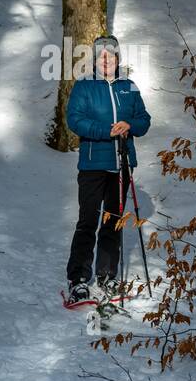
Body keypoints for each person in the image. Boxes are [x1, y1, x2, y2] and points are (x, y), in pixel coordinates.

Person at [65, 34, 151, 303]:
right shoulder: (84, 86)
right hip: (93, 165)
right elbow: (75, 120)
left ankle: (106, 276)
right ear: (94, 59)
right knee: (88, 220)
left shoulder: (129, 86)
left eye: (111, 55)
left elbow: (144, 119)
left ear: (117, 58)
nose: (106, 60)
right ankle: (79, 278)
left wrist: (129, 125)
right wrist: (107, 131)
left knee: (113, 221)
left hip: (122, 164)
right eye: (101, 56)